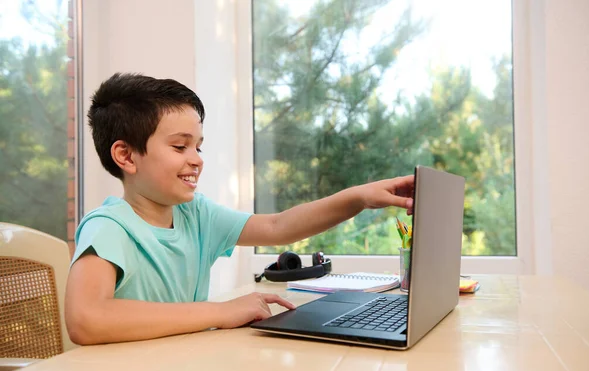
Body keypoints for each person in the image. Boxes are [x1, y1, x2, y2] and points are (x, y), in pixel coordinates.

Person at [64, 73, 415, 345]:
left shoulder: (195, 215)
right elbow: (86, 319)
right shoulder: (108, 227)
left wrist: (359, 198)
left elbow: (278, 226)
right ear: (125, 155)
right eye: (179, 146)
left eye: (198, 147)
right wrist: (219, 312)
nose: (196, 160)